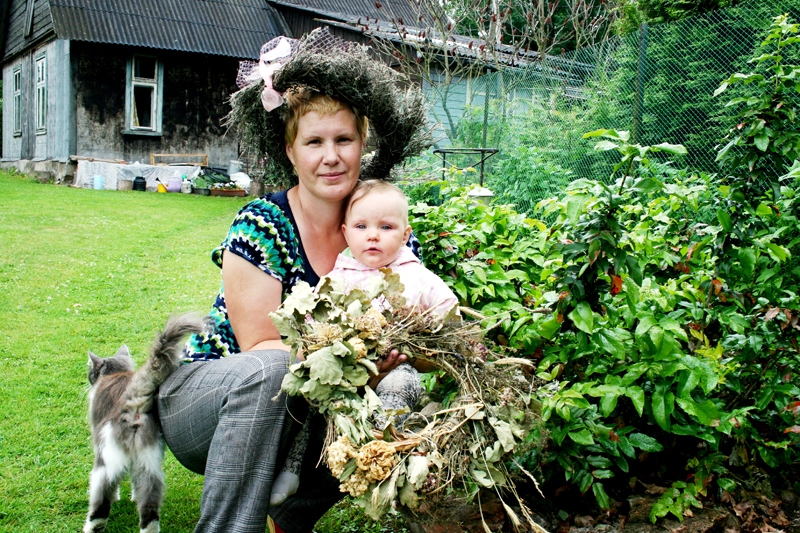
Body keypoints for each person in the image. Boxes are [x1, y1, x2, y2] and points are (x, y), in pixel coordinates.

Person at [155, 28, 431, 533]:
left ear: (362, 143)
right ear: (290, 151)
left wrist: (388, 362)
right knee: (271, 367)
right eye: (315, 142)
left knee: (401, 384)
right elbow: (261, 346)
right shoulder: (262, 224)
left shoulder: (382, 228)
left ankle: (291, 516)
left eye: (344, 139)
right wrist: (354, 362)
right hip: (207, 403)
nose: (332, 157)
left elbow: (411, 327)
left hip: (310, 401)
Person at [270, 180, 459, 506]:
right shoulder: (338, 277)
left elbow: (448, 310)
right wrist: (317, 347)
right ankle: (291, 467)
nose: (373, 235)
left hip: (393, 365)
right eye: (362, 226)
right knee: (308, 394)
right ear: (345, 233)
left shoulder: (416, 275)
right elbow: (315, 318)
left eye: (386, 227)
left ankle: (380, 452)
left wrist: (448, 330)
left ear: (404, 234)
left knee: (402, 385)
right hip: (345, 371)